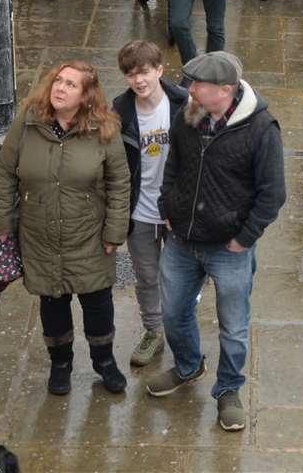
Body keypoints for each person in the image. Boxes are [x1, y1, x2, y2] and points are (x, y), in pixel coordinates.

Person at [147, 51, 286, 435]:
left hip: (229, 249)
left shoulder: (261, 130)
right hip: (181, 240)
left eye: (198, 85)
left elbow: (273, 194)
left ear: (225, 91)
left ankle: (228, 389)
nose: (188, 90)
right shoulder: (187, 117)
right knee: (173, 313)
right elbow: (173, 165)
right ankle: (189, 366)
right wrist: (167, 206)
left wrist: (244, 239)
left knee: (234, 326)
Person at [0, 61, 131, 394]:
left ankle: (104, 361)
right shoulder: (27, 122)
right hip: (39, 234)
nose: (60, 88)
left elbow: (119, 182)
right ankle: (61, 364)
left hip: (88, 235)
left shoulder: (104, 129)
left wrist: (115, 231)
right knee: (52, 304)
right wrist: (1, 224)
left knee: (97, 303)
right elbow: (6, 173)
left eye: (70, 84)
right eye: (58, 81)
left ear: (86, 96)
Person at [113, 40, 189, 370]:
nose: (139, 80)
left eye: (144, 72)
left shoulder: (184, 105)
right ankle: (153, 331)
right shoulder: (121, 112)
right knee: (146, 276)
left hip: (177, 210)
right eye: (131, 75)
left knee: (180, 276)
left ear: (159, 70)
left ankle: (183, 330)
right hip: (140, 211)